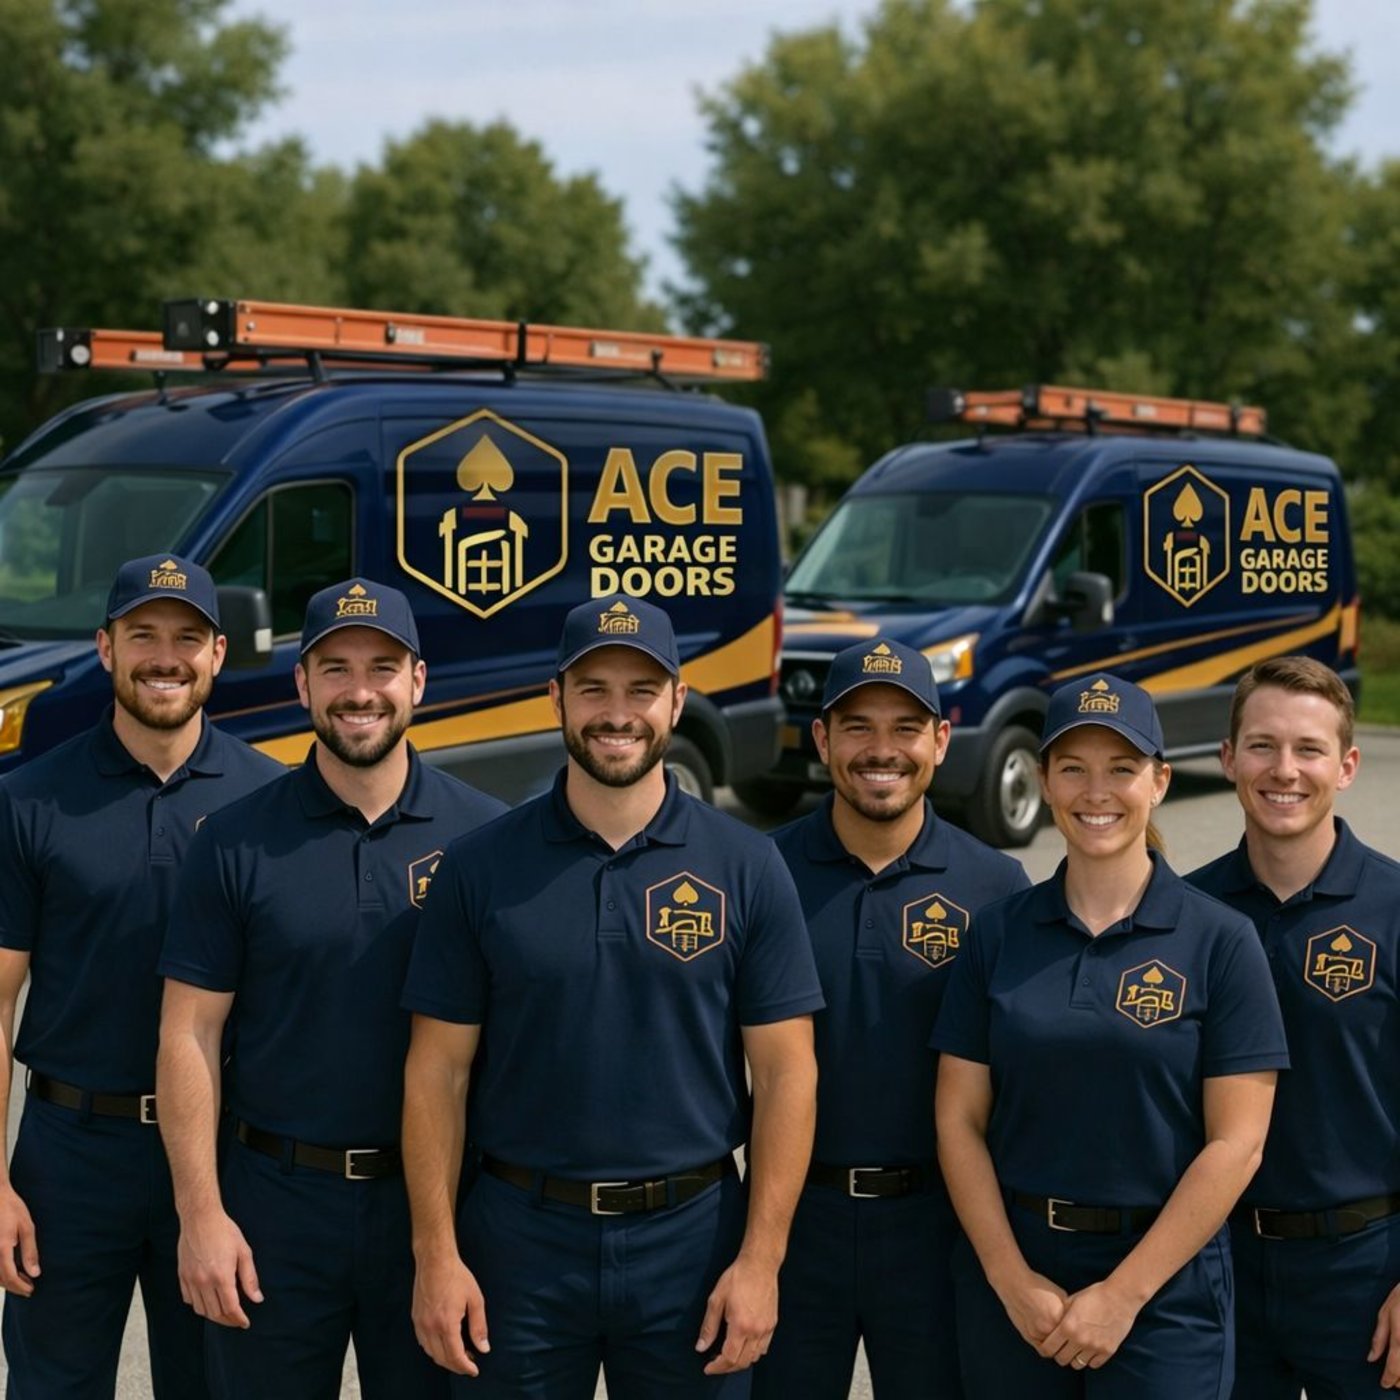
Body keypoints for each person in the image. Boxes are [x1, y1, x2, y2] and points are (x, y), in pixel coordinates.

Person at [401, 592, 823, 1398]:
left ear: (677, 699)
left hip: (692, 1242)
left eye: (641, 690)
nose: (617, 714)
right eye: (594, 689)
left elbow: (786, 1076)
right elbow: (436, 1074)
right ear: (555, 697)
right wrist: (437, 1255)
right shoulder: (480, 866)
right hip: (519, 1243)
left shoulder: (748, 865)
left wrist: (761, 1262)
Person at [155, 578, 506, 1400]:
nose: (359, 691)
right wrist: (201, 1217)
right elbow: (188, 1034)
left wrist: (462, 1239)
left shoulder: (489, 839)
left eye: (381, 667)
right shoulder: (237, 839)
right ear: (301, 684)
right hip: (274, 1205)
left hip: (436, 1211)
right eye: (335, 668)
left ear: (418, 682)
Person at [932, 672, 1288, 1398]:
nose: (1097, 792)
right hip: (1018, 1273)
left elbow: (1238, 1143)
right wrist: (1008, 1277)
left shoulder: (1221, 940)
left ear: (1158, 781)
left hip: (1165, 1286)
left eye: (1122, 769)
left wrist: (1123, 1295)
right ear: (1044, 781)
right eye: (1073, 769)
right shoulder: (998, 933)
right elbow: (958, 1118)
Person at [0, 554, 283, 1399]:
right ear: (105, 648)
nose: (166, 656)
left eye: (186, 638)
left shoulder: (270, 801)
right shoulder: (28, 801)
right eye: (143, 636)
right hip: (70, 1150)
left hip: (219, 1157)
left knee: (212, 1385)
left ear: (218, 654)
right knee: (53, 1386)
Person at [754, 638, 1029, 1399]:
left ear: (941, 740)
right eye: (858, 727)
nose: (883, 751)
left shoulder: (996, 885)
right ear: (821, 740)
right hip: (793, 1220)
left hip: (939, 1226)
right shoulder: (761, 872)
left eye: (906, 727)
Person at [1186, 655, 1400, 1397]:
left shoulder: (1395, 908)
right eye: (1262, 745)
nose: (1285, 770)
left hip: (1367, 1269)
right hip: (1221, 1267)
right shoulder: (1186, 913)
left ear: (1345, 767)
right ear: (1226, 758)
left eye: (1309, 749)